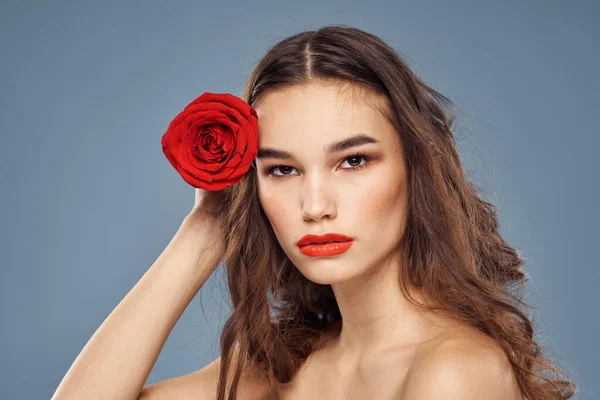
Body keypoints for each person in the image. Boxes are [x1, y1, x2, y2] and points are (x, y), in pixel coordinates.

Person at [52, 25, 576, 400]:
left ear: (417, 167)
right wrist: (206, 230)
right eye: (282, 170)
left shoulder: (455, 374)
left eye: (353, 160)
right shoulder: (282, 364)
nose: (316, 206)